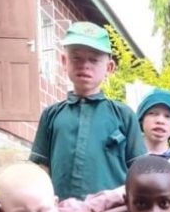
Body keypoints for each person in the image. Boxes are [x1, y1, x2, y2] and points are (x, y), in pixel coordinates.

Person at [30, 21, 146, 201]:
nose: (85, 65)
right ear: (64, 61)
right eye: (76, 57)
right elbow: (40, 169)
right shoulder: (51, 115)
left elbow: (140, 172)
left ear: (109, 67)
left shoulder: (124, 115)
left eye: (94, 59)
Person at [137, 88, 170, 157]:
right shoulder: (124, 159)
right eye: (153, 114)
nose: (160, 121)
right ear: (141, 119)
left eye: (167, 116)